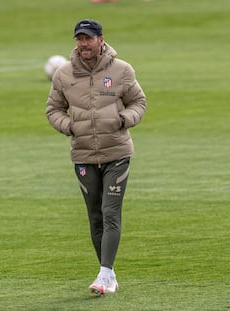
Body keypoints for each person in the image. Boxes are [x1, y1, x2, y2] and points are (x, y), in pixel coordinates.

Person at [45, 19, 146, 296]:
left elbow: (139, 102)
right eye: (79, 39)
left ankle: (103, 275)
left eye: (88, 38)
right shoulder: (64, 74)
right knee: (95, 216)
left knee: (110, 212)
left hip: (117, 153)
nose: (83, 44)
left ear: (101, 39)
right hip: (84, 155)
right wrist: (69, 127)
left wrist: (124, 119)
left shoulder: (121, 70)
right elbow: (53, 109)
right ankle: (109, 275)